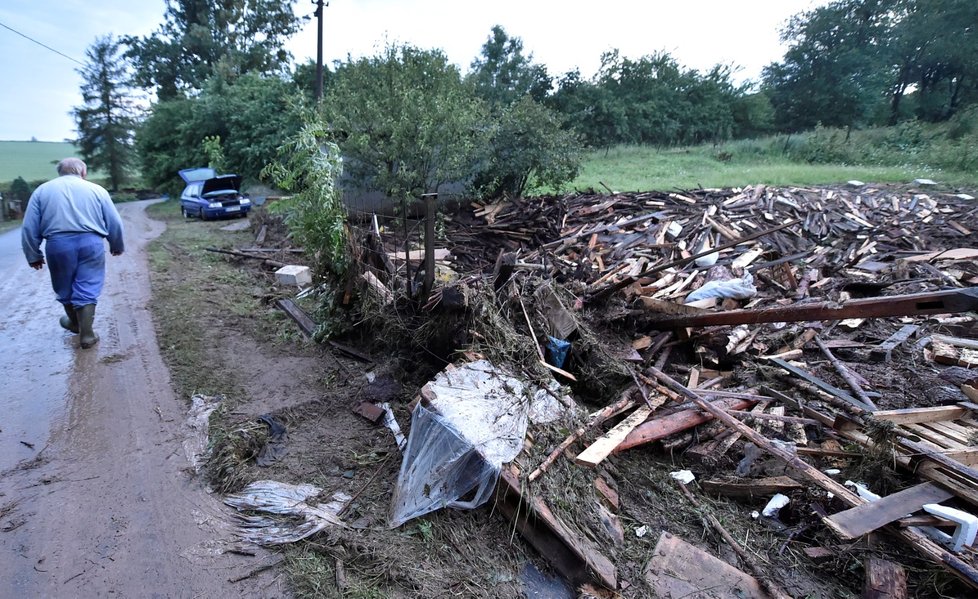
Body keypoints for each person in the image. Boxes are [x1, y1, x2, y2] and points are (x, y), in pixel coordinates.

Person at [21, 158, 125, 349]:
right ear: (83, 172)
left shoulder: (42, 191)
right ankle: (87, 334)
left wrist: (33, 254)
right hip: (91, 243)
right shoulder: (97, 190)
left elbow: (29, 227)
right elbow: (114, 222)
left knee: (64, 286)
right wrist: (116, 244)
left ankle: (75, 324)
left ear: (60, 172)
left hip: (58, 245)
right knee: (88, 284)